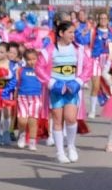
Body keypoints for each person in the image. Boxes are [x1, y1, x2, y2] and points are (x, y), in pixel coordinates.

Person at [47, 19, 84, 164]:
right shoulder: (49, 49)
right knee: (57, 120)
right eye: (70, 32)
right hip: (56, 90)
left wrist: (78, 82)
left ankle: (71, 146)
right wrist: (52, 84)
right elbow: (40, 68)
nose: (73, 35)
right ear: (61, 33)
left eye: (74, 32)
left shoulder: (78, 49)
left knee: (71, 118)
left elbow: (86, 67)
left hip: (71, 89)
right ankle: (60, 152)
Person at [15, 48, 45, 150]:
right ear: (25, 59)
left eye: (34, 59)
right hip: (22, 97)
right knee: (22, 120)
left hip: (36, 97)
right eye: (29, 59)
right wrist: (14, 97)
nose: (32, 62)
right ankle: (22, 135)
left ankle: (32, 141)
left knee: (33, 120)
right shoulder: (20, 70)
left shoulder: (40, 70)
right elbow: (16, 84)